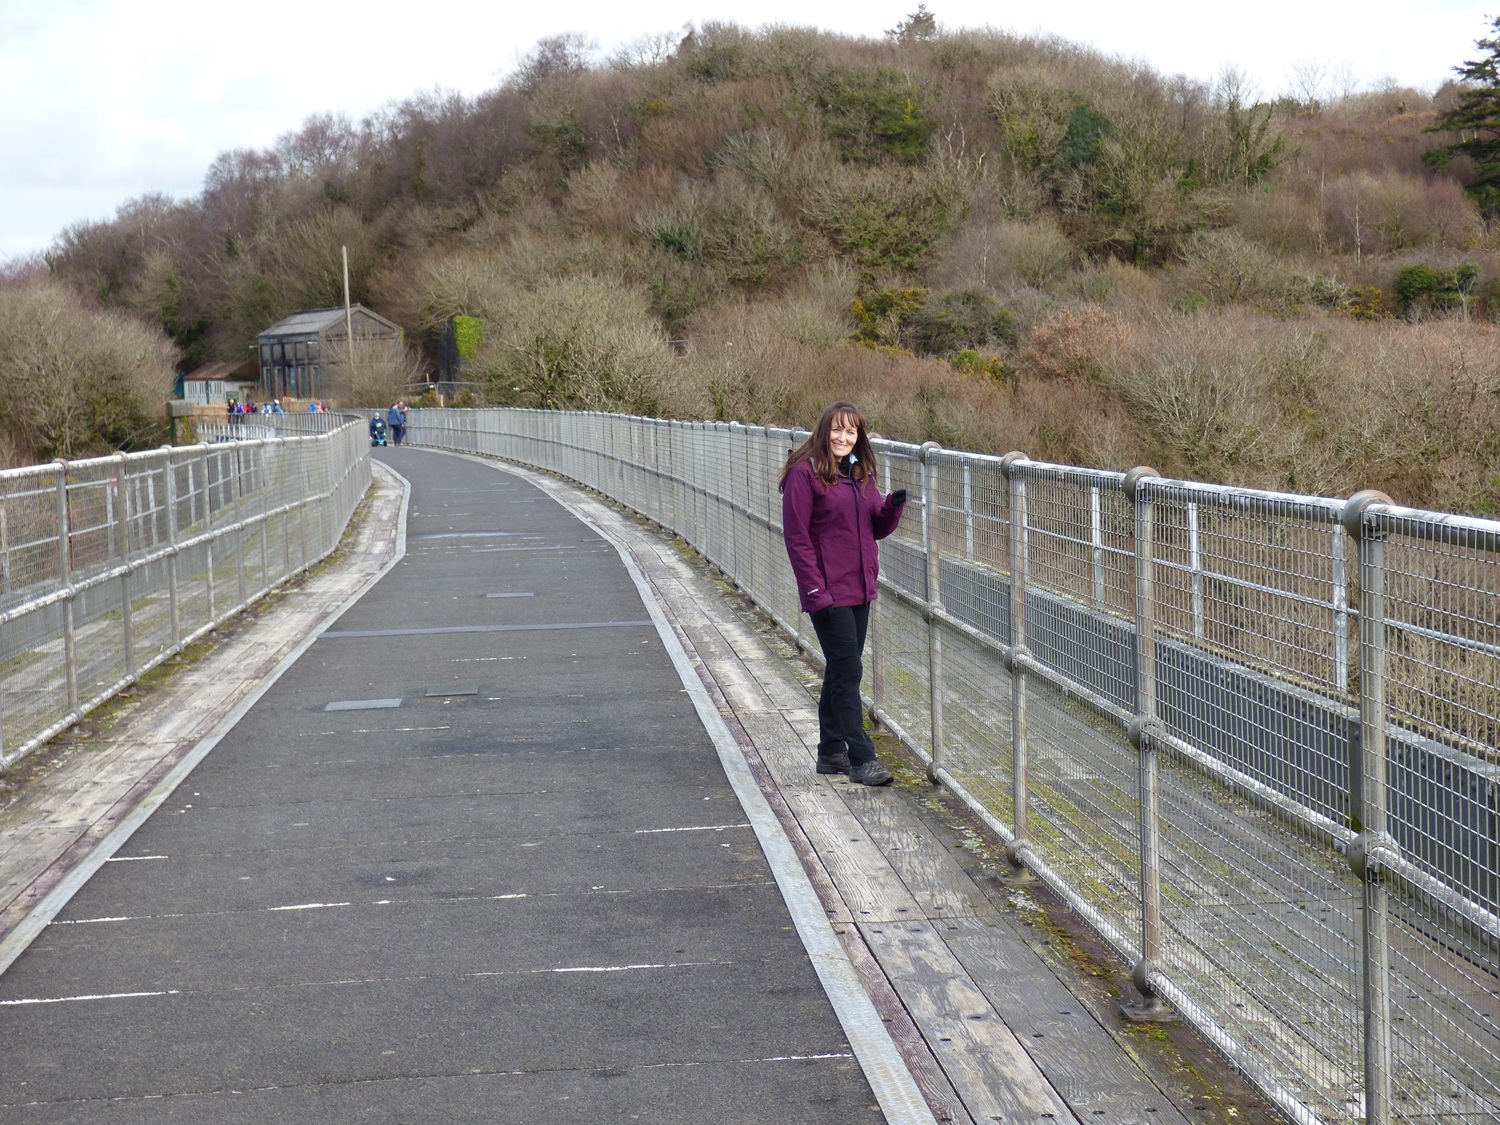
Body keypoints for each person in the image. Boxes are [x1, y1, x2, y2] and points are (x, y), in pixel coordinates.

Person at [779, 402, 907, 786]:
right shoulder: (804, 474)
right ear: (824, 431)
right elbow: (797, 538)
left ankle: (830, 751)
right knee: (849, 671)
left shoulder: (859, 473)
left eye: (851, 431)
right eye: (837, 429)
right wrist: (814, 590)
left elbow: (875, 527)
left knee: (840, 668)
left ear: (858, 436)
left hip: (860, 587)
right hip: (828, 592)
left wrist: (892, 508)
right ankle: (862, 758)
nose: (843, 437)